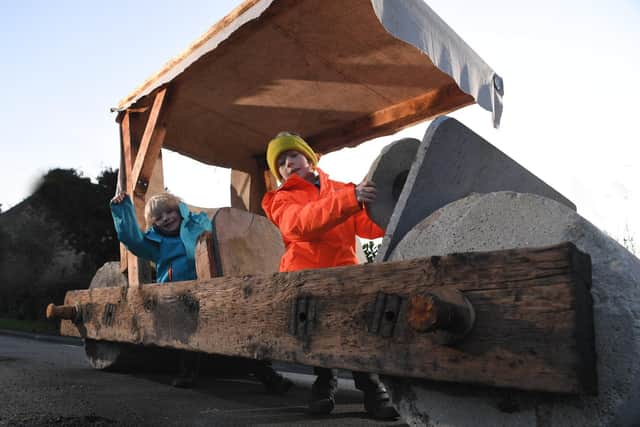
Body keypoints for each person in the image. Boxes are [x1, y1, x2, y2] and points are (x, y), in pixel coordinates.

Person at [261, 132, 399, 419]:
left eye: (293, 156)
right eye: (281, 163)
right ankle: (326, 382)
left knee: (358, 327)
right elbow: (300, 225)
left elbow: (370, 227)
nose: (288, 164)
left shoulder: (342, 189)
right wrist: (351, 198)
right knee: (319, 331)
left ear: (309, 158)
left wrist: (392, 200)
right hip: (304, 278)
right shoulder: (279, 200)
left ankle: (369, 386)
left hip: (345, 275)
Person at [110, 191, 293, 393]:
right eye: (158, 217)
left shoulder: (198, 224)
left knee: (239, 331)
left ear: (179, 209)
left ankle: (268, 376)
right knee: (188, 329)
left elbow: (215, 238)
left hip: (210, 289)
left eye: (169, 211)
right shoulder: (157, 244)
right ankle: (187, 371)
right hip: (178, 296)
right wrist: (122, 209)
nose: (165, 218)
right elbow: (132, 240)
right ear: (154, 223)